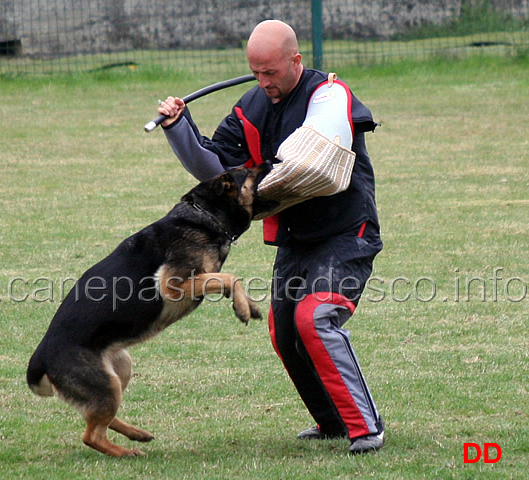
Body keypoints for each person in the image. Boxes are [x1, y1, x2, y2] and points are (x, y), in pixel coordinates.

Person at [156, 19, 384, 454]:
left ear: (295, 61)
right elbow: (217, 172)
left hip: (345, 232)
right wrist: (178, 127)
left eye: (271, 73)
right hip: (295, 238)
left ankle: (366, 427)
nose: (263, 83)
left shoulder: (329, 94)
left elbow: (317, 155)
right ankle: (332, 422)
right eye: (255, 73)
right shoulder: (250, 108)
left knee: (314, 318)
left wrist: (262, 186)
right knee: (285, 333)